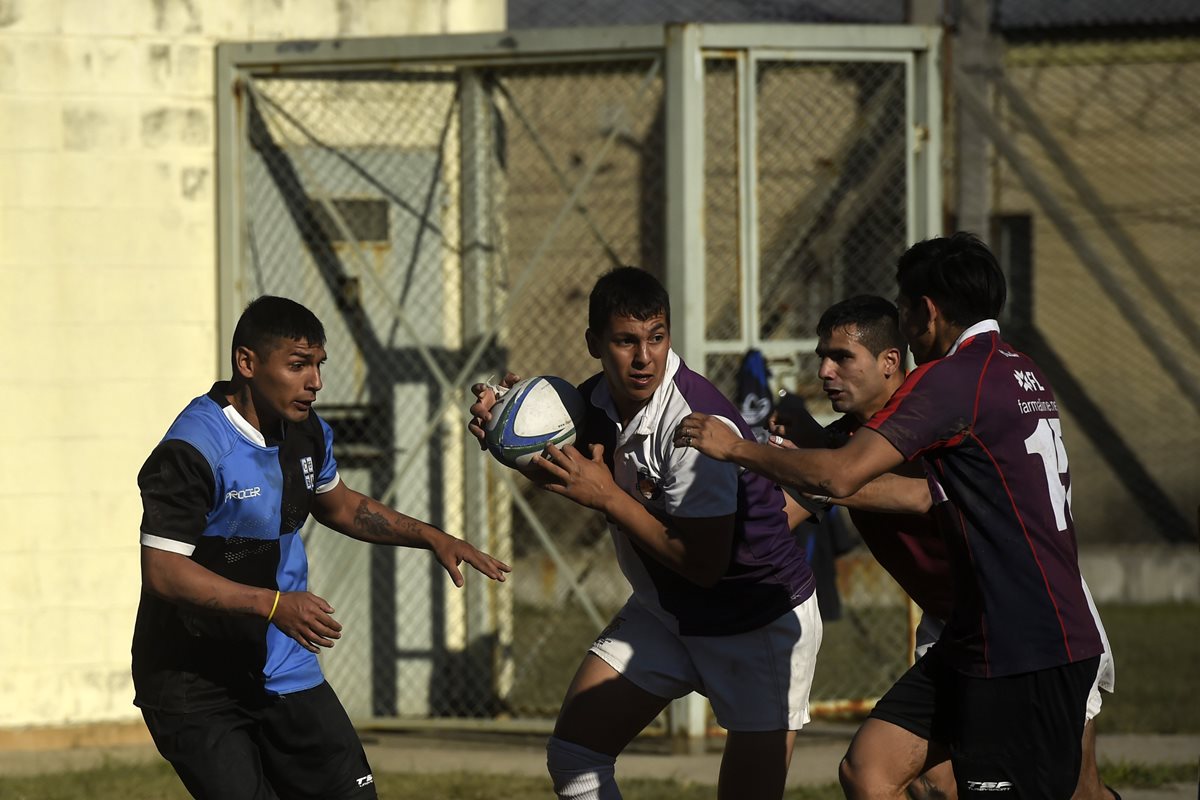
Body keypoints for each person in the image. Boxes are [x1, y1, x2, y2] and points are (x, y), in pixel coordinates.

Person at [675, 234, 1106, 800]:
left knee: (1071, 792)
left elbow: (853, 480)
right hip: (979, 631)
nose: (827, 371)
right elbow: (800, 499)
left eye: (902, 309)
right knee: (870, 769)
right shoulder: (1019, 369)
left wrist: (737, 449)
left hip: (1028, 635)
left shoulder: (949, 382)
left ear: (926, 310)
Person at [133, 295, 511, 800]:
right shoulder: (193, 450)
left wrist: (432, 536)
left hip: (283, 667)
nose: (316, 381)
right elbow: (163, 571)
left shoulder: (305, 433)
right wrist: (271, 605)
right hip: (194, 680)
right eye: (297, 365)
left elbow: (340, 506)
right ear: (246, 363)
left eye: (318, 365)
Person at [468, 266, 822, 800]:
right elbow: (570, 477)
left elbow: (703, 564)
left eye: (656, 339)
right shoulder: (593, 403)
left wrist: (609, 496)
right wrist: (508, 435)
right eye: (625, 341)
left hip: (757, 618)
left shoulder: (692, 425)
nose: (643, 357)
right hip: (669, 610)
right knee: (576, 759)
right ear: (594, 343)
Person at [772, 294, 1116, 800]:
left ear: (890, 361)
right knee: (883, 775)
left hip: (1035, 623)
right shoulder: (845, 443)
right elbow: (780, 515)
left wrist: (820, 467)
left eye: (841, 357)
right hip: (956, 629)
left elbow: (920, 495)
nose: (825, 371)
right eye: (821, 356)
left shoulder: (933, 410)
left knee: (1076, 790)